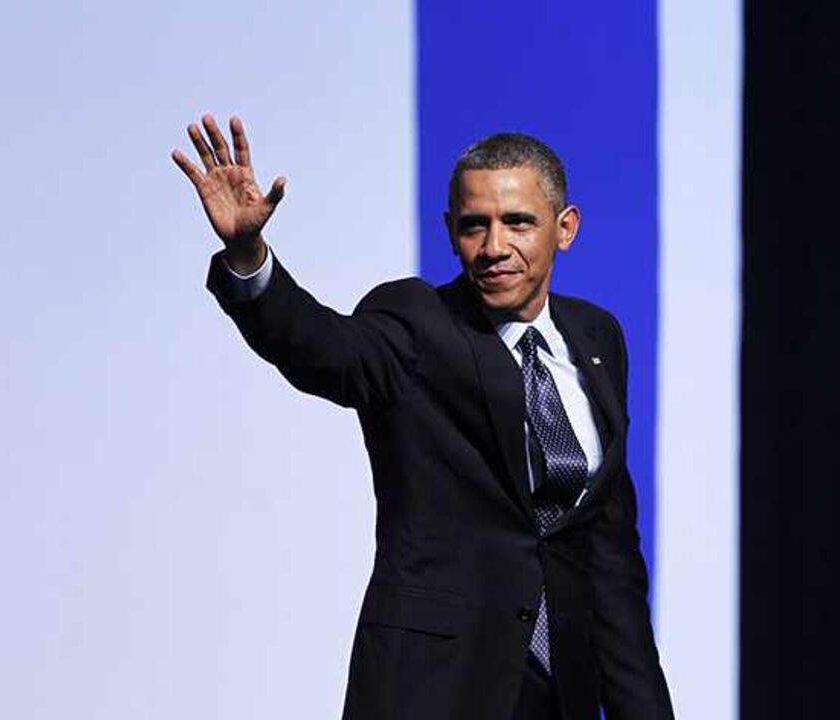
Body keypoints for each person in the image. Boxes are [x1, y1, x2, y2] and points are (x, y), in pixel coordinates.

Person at [172, 114, 674, 720]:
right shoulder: (415, 322)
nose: (494, 247)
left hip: (561, 691)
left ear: (564, 228)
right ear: (449, 230)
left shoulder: (598, 337)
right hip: (435, 688)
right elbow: (324, 349)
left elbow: (609, 558)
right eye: (473, 226)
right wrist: (250, 255)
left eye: (518, 222)